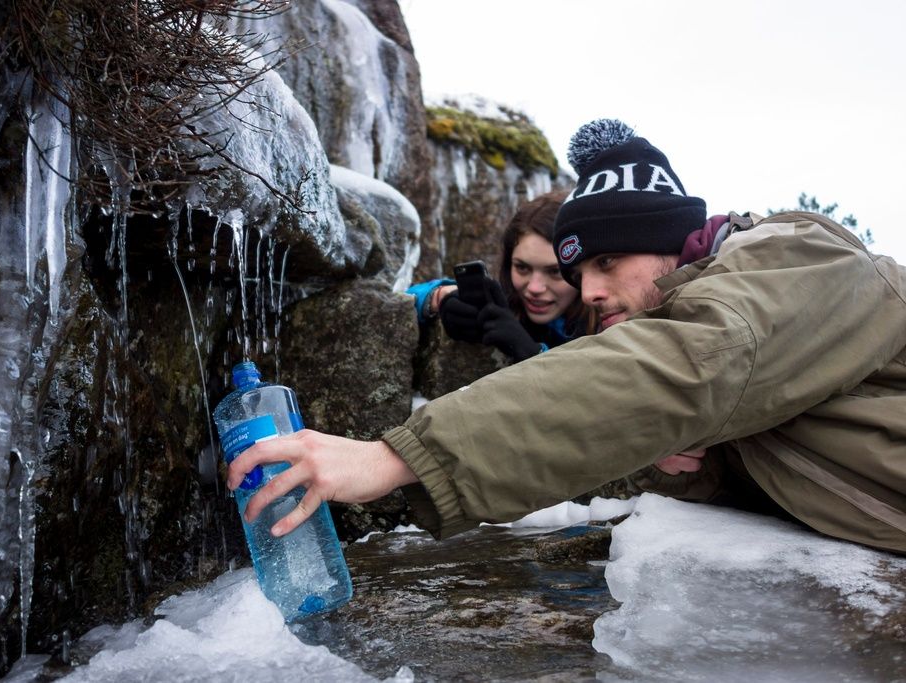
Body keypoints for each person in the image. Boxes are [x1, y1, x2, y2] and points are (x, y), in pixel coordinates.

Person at [227, 119, 906, 556]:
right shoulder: (731, 314)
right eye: (578, 270)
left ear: (670, 242)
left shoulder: (798, 258)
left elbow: (687, 363)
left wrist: (394, 458)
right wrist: (713, 457)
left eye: (605, 264)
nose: (588, 292)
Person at [407, 190, 589, 363]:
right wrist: (440, 297)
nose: (534, 288)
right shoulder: (505, 299)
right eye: (522, 267)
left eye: (555, 272)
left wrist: (531, 352)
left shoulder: (609, 322)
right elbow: (401, 299)